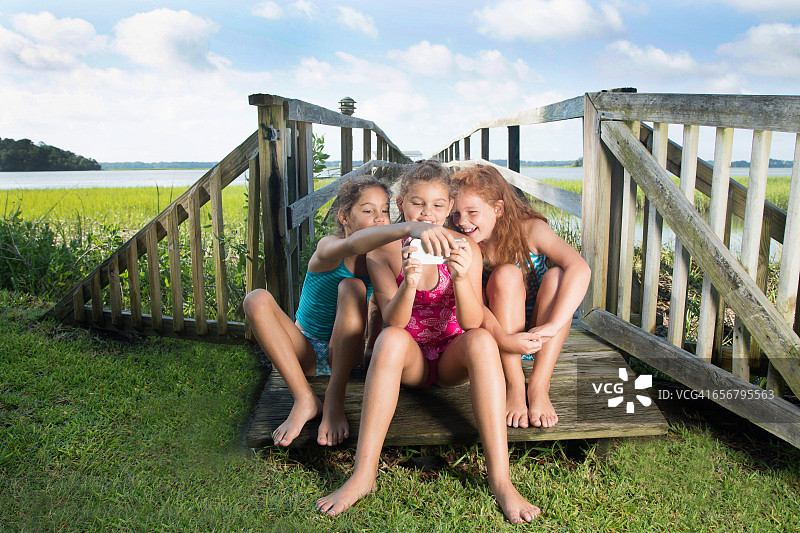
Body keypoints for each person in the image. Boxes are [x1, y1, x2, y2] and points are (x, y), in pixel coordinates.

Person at [316, 160, 540, 524]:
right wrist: (409, 280)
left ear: (449, 207)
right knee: (389, 339)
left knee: (483, 341)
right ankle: (363, 475)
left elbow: (470, 321)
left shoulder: (467, 246)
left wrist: (462, 277)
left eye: (438, 205)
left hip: (453, 357)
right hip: (412, 359)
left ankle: (500, 480)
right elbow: (394, 320)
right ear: (402, 204)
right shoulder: (383, 253)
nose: (428, 213)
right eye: (418, 204)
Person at [243, 175, 455, 448]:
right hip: (304, 349)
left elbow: (379, 306)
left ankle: (334, 400)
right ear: (344, 216)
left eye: (384, 211)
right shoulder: (328, 247)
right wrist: (410, 227)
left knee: (353, 287)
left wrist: (371, 348)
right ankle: (304, 399)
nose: (380, 219)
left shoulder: (378, 258)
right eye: (368, 211)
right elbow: (354, 244)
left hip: (345, 353)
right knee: (256, 298)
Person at [450, 164, 591, 430]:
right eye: (456, 213)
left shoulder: (530, 231)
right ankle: (514, 386)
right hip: (497, 337)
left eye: (472, 212)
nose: (462, 221)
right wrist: (505, 339)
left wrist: (551, 327)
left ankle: (539, 385)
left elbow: (580, 268)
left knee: (557, 275)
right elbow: (476, 307)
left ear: (498, 209)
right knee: (506, 275)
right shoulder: (467, 246)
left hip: (541, 336)